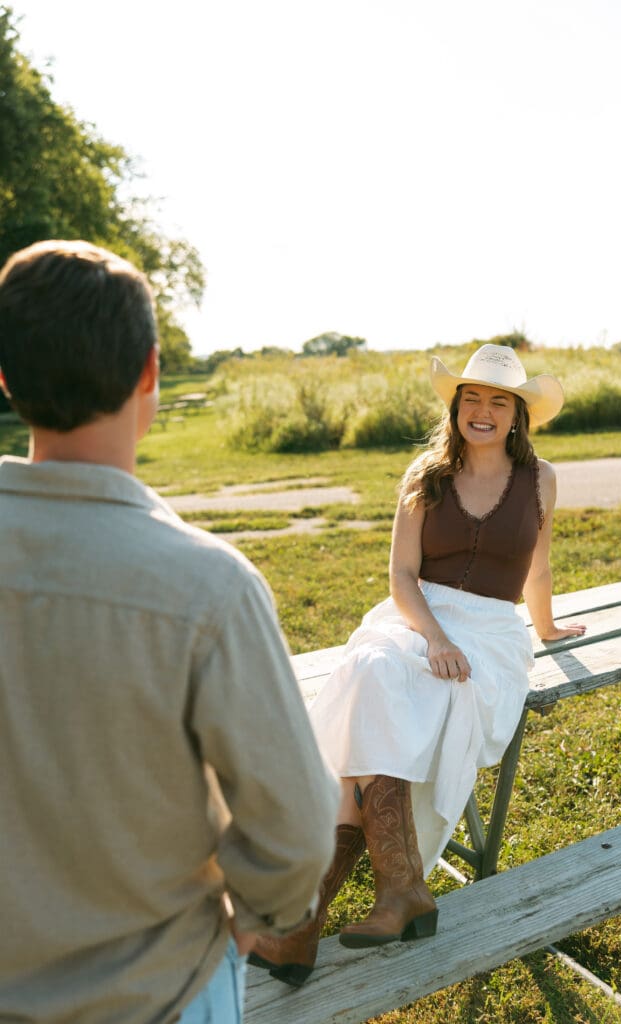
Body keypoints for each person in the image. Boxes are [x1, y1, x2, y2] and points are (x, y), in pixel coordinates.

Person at [0, 239, 339, 1024]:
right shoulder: (207, 587)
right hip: (153, 994)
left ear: (7, 375)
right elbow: (294, 832)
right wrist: (260, 916)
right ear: (150, 371)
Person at [249, 342, 586, 986]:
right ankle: (398, 890)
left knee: (373, 707)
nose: (483, 411)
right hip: (418, 617)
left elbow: (538, 566)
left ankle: (302, 927)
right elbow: (402, 577)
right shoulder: (425, 475)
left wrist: (543, 626)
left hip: (490, 631)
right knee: (376, 669)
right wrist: (432, 636)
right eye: (472, 399)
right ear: (457, 407)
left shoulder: (541, 479)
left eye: (499, 401)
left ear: (518, 413)